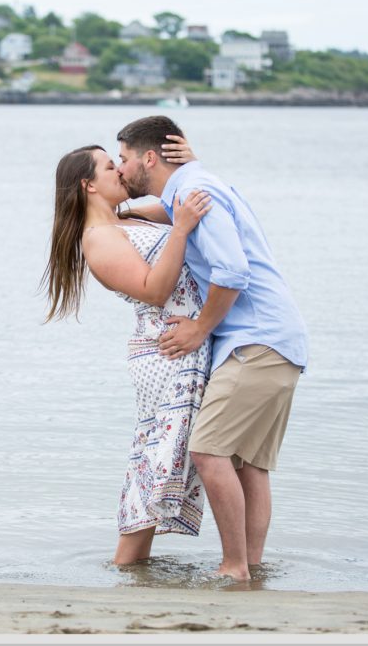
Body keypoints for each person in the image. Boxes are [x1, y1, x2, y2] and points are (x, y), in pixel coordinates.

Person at [115, 115, 309, 582]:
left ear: (149, 157)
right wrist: (125, 213)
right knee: (247, 464)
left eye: (122, 159)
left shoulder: (192, 189)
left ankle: (235, 567)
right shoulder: (193, 187)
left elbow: (232, 271)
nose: (120, 170)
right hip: (279, 339)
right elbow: (179, 212)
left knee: (207, 451)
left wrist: (200, 328)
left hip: (255, 341)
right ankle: (251, 568)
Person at [42, 138, 214, 565]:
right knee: (156, 456)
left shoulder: (129, 216)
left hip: (183, 344)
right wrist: (179, 231)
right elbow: (154, 290)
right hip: (165, 352)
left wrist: (190, 164)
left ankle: (133, 567)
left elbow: (186, 199)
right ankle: (127, 562)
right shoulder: (98, 239)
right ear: (88, 186)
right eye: (107, 167)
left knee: (165, 453)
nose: (119, 170)